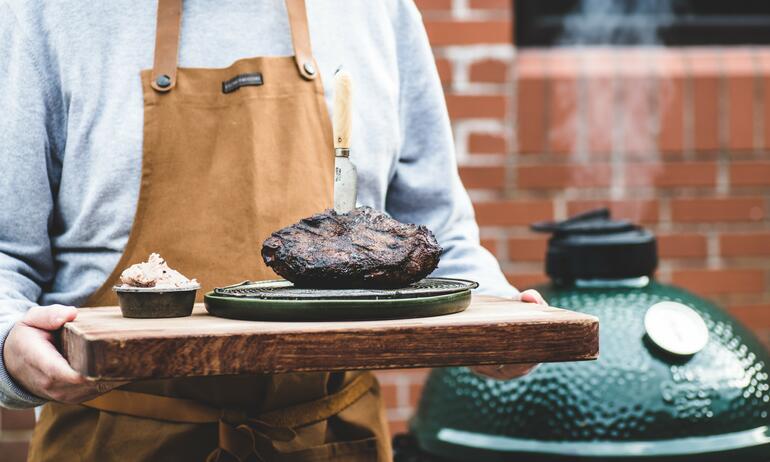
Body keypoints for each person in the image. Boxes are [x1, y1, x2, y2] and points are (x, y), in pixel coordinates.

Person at [0, 0, 544, 460]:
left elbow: (436, 230)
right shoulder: (46, 13)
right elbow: (7, 252)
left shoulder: (378, 10)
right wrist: (9, 345)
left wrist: (497, 325)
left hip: (333, 436)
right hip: (118, 438)